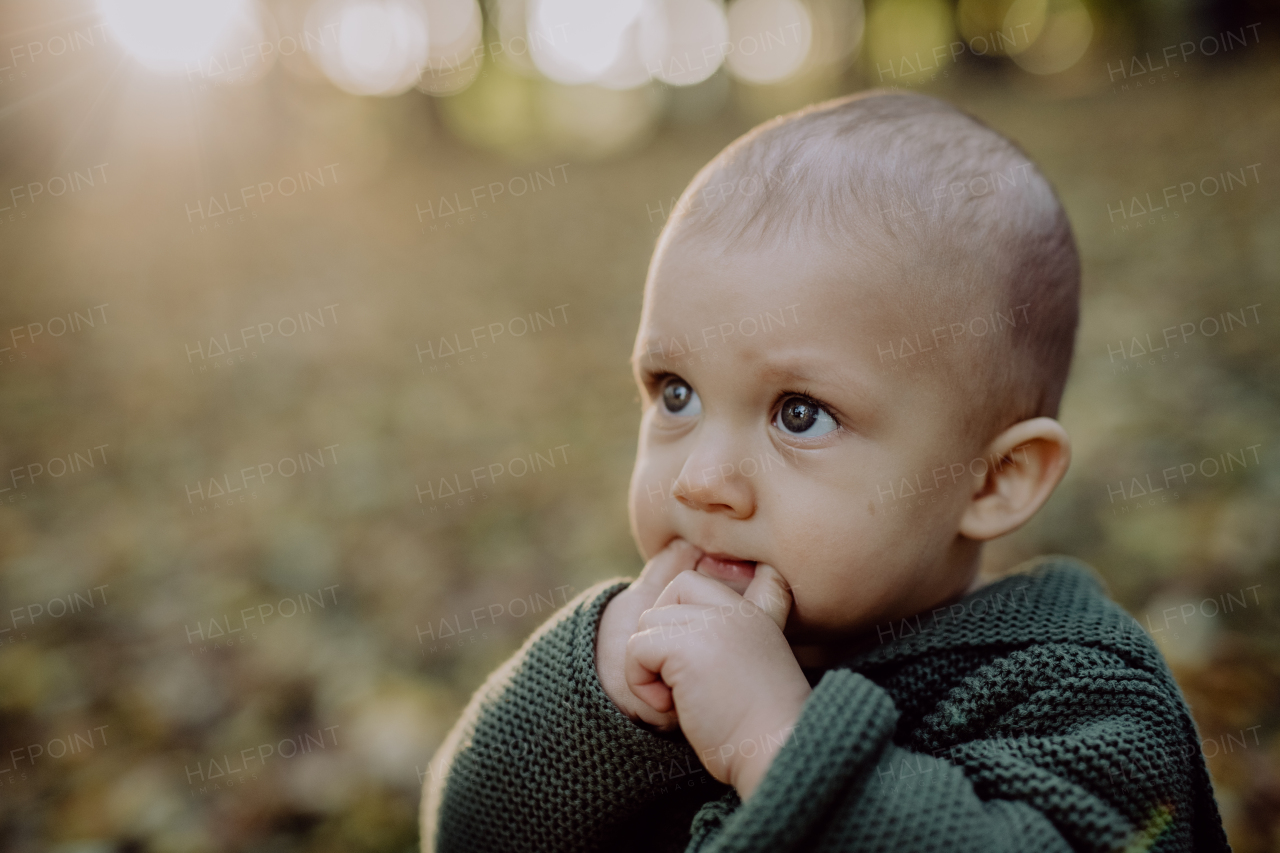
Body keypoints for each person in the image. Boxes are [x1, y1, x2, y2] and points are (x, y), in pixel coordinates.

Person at [419, 91, 1230, 852]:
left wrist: (777, 744)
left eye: (799, 413)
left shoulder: (1078, 692)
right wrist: (595, 700)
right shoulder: (652, 663)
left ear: (992, 480)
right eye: (676, 393)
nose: (701, 479)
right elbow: (463, 833)